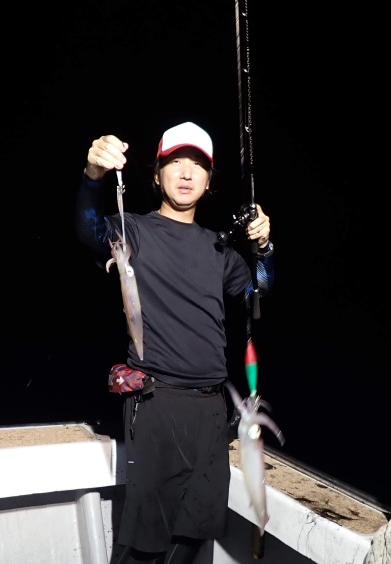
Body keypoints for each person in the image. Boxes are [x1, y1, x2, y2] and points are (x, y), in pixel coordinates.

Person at [74, 121, 275, 563]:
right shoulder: (133, 231)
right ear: (156, 174)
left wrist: (264, 248)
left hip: (212, 411)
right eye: (175, 162)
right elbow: (89, 230)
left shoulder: (219, 248)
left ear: (209, 180)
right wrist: (93, 175)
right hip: (156, 404)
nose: (186, 173)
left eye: (197, 165)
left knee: (193, 539)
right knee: (145, 545)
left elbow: (258, 289)